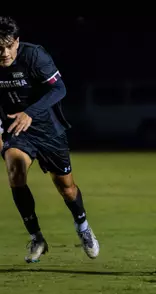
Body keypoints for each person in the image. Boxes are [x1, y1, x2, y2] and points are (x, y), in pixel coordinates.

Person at [0, 16, 99, 263]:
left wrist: (30, 113)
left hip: (48, 129)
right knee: (15, 170)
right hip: (16, 129)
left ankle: (83, 226)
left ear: (17, 42)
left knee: (66, 188)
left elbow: (59, 89)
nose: (3, 53)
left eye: (8, 46)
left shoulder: (34, 56)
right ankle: (37, 238)